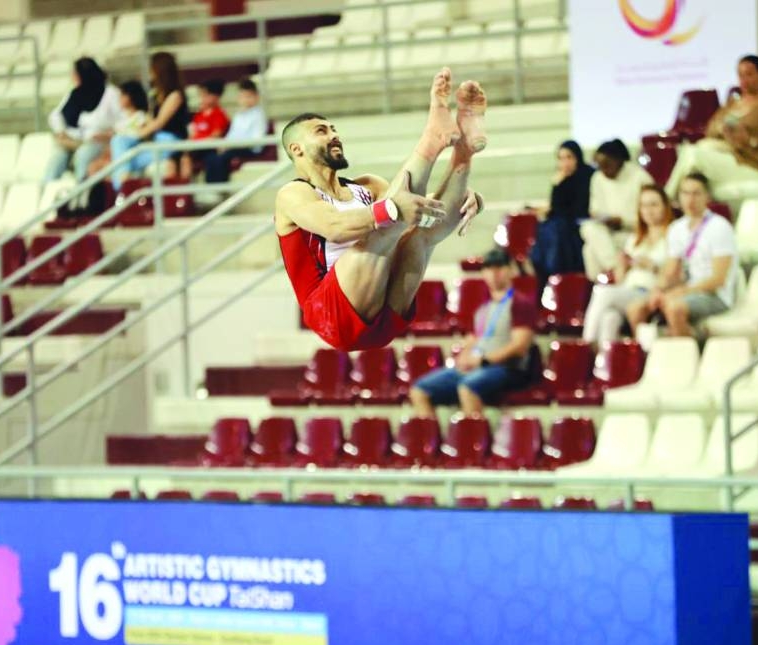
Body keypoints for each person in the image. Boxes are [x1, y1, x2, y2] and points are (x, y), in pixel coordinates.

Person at [274, 68, 486, 351]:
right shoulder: (293, 193)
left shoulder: (368, 186)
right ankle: (431, 139)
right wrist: (392, 209)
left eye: (334, 129)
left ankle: (464, 153)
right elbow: (335, 228)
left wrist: (463, 197)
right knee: (383, 229)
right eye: (322, 131)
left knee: (417, 235)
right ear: (296, 149)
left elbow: (415, 207)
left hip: (387, 315)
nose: (334, 135)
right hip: (333, 317)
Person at [409, 248, 536, 417]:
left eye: (499, 267)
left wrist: (482, 361)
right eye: (489, 268)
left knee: (468, 387)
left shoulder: (520, 303)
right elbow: (473, 339)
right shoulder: (483, 310)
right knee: (419, 390)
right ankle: (430, 434)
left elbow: (520, 346)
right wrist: (464, 358)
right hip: (478, 366)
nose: (494, 273)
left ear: (510, 270)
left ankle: (473, 432)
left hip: (505, 368)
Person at [627, 172, 738, 338]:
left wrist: (681, 292)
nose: (690, 200)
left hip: (715, 295)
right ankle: (646, 352)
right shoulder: (677, 228)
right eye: (685, 193)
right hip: (688, 290)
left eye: (696, 193)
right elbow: (671, 272)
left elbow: (718, 279)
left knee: (674, 307)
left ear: (707, 197)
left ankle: (687, 351)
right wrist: (657, 290)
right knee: (635, 308)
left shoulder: (719, 227)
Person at [665, 54, 758, 198]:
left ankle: (667, 199)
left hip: (749, 163)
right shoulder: (733, 103)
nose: (744, 81)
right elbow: (710, 130)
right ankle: (675, 200)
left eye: (749, 75)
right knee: (691, 152)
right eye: (740, 75)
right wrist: (722, 129)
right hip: (725, 152)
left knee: (693, 155)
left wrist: (750, 140)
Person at [582, 184, 672, 346]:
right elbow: (620, 280)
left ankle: (585, 345)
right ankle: (603, 358)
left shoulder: (673, 235)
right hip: (628, 290)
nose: (648, 210)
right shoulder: (634, 238)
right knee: (609, 317)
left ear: (665, 207)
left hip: (651, 291)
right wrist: (622, 265)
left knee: (602, 292)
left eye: (654, 205)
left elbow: (677, 274)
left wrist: (652, 266)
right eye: (644, 205)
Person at [109, 51, 192, 189]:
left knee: (124, 155)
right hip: (157, 139)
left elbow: (159, 122)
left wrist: (136, 134)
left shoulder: (175, 96)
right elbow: (151, 120)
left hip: (170, 140)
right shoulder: (156, 95)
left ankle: (121, 188)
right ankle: (121, 186)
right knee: (120, 146)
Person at [582, 138, 655, 280]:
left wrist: (622, 222)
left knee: (589, 250)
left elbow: (651, 218)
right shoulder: (598, 178)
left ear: (619, 160)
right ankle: (614, 269)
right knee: (589, 228)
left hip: (633, 233)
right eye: (599, 166)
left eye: (607, 165)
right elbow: (594, 210)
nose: (603, 170)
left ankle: (612, 276)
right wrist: (602, 218)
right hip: (607, 234)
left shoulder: (640, 178)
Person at [44, 57, 121, 183]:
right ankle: (48, 190)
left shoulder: (111, 93)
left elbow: (123, 119)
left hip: (98, 142)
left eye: (75, 73)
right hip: (74, 140)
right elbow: (56, 116)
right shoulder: (75, 93)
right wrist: (61, 131)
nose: (73, 77)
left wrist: (111, 133)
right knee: (57, 158)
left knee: (83, 155)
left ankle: (82, 190)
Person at [526, 140, 592, 286]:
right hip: (562, 224)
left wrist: (557, 187)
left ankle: (552, 272)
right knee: (544, 226)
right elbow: (557, 207)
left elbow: (578, 209)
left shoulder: (587, 175)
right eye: (561, 158)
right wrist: (557, 186)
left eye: (569, 157)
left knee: (555, 228)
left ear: (578, 157)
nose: (565, 163)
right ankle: (542, 272)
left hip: (578, 224)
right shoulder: (562, 178)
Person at [204, 78, 269, 183]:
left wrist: (231, 145)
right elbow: (231, 135)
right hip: (234, 146)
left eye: (249, 96)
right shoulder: (238, 115)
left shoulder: (259, 115)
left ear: (256, 97)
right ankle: (210, 188)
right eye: (243, 96)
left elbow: (257, 140)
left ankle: (221, 187)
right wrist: (223, 145)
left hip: (249, 148)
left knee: (223, 158)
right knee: (211, 157)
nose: (246, 100)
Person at [181, 78, 230, 178]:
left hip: (209, 148)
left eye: (206, 95)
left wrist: (199, 143)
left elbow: (216, 135)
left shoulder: (219, 115)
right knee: (181, 156)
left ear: (216, 96)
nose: (202, 98)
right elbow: (193, 134)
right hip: (195, 148)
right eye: (201, 95)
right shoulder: (198, 115)